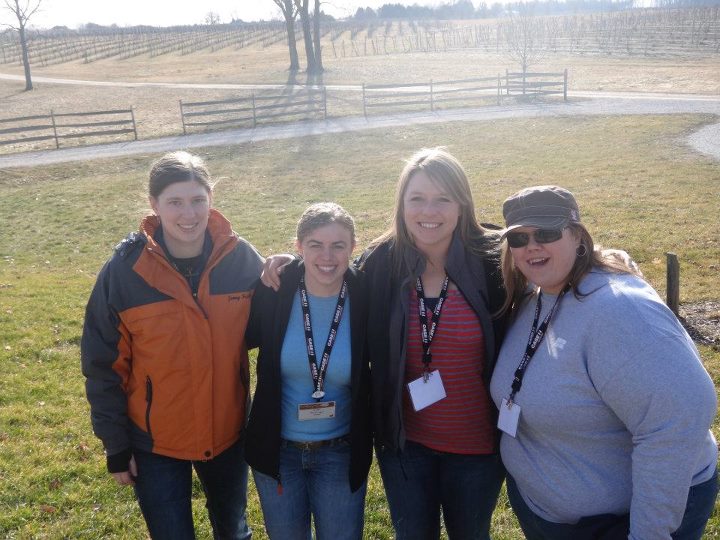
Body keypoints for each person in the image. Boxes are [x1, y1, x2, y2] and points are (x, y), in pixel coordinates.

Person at [489, 185, 718, 540]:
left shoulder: (622, 311)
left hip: (617, 524)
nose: (531, 246)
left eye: (546, 233)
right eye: (519, 238)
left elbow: (676, 420)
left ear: (578, 236)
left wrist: (647, 534)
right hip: (550, 513)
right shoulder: (536, 294)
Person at [81, 151, 263, 540]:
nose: (188, 214)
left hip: (228, 433)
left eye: (197, 200)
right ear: (154, 204)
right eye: (175, 202)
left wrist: (287, 266)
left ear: (211, 199)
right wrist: (115, 444)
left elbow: (272, 320)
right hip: (155, 443)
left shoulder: (240, 258)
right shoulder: (124, 271)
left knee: (234, 530)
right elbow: (102, 365)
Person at [358, 147, 506, 540]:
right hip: (406, 447)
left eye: (443, 199)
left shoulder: (495, 260)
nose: (429, 211)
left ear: (462, 205)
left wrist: (604, 261)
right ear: (401, 205)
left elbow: (553, 261)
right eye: (417, 199)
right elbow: (326, 275)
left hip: (478, 448)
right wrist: (287, 266)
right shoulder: (379, 264)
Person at [245, 202, 372, 540]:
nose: (327, 256)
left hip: (340, 452)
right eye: (315, 244)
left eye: (338, 245)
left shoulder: (365, 294)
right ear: (299, 246)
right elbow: (236, 338)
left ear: (353, 247)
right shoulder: (276, 289)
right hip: (279, 451)